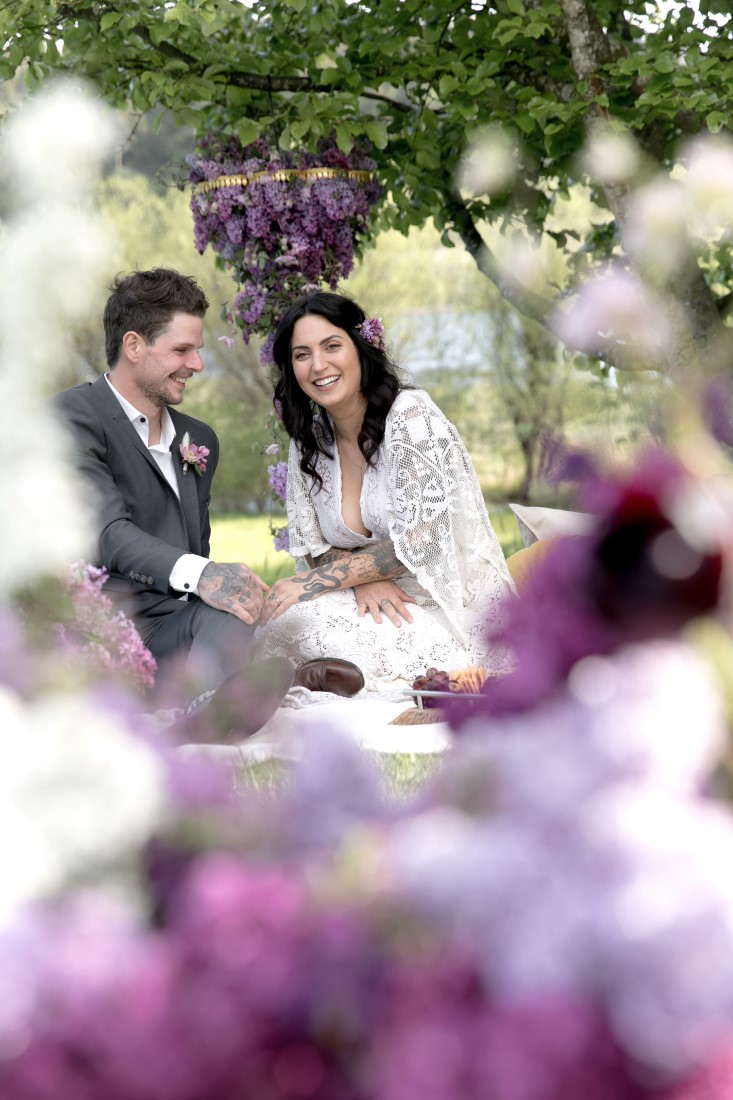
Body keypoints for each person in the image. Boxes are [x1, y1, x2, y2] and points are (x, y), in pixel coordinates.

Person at [51, 269, 363, 740]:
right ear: (133, 346)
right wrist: (205, 574)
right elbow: (108, 533)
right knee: (222, 601)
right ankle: (242, 693)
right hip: (105, 635)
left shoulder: (200, 440)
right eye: (182, 350)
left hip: (180, 629)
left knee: (231, 610)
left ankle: (211, 707)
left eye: (196, 350)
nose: (197, 364)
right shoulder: (74, 417)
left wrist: (223, 587)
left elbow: (198, 550)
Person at [255, 291, 517, 692]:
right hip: (367, 600)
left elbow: (420, 543)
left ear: (361, 349)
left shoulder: (412, 416)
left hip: (441, 607)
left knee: (303, 617)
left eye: (332, 346)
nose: (319, 365)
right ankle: (312, 682)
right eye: (302, 354)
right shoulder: (309, 440)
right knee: (281, 623)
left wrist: (316, 583)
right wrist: (358, 579)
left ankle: (430, 674)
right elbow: (312, 544)